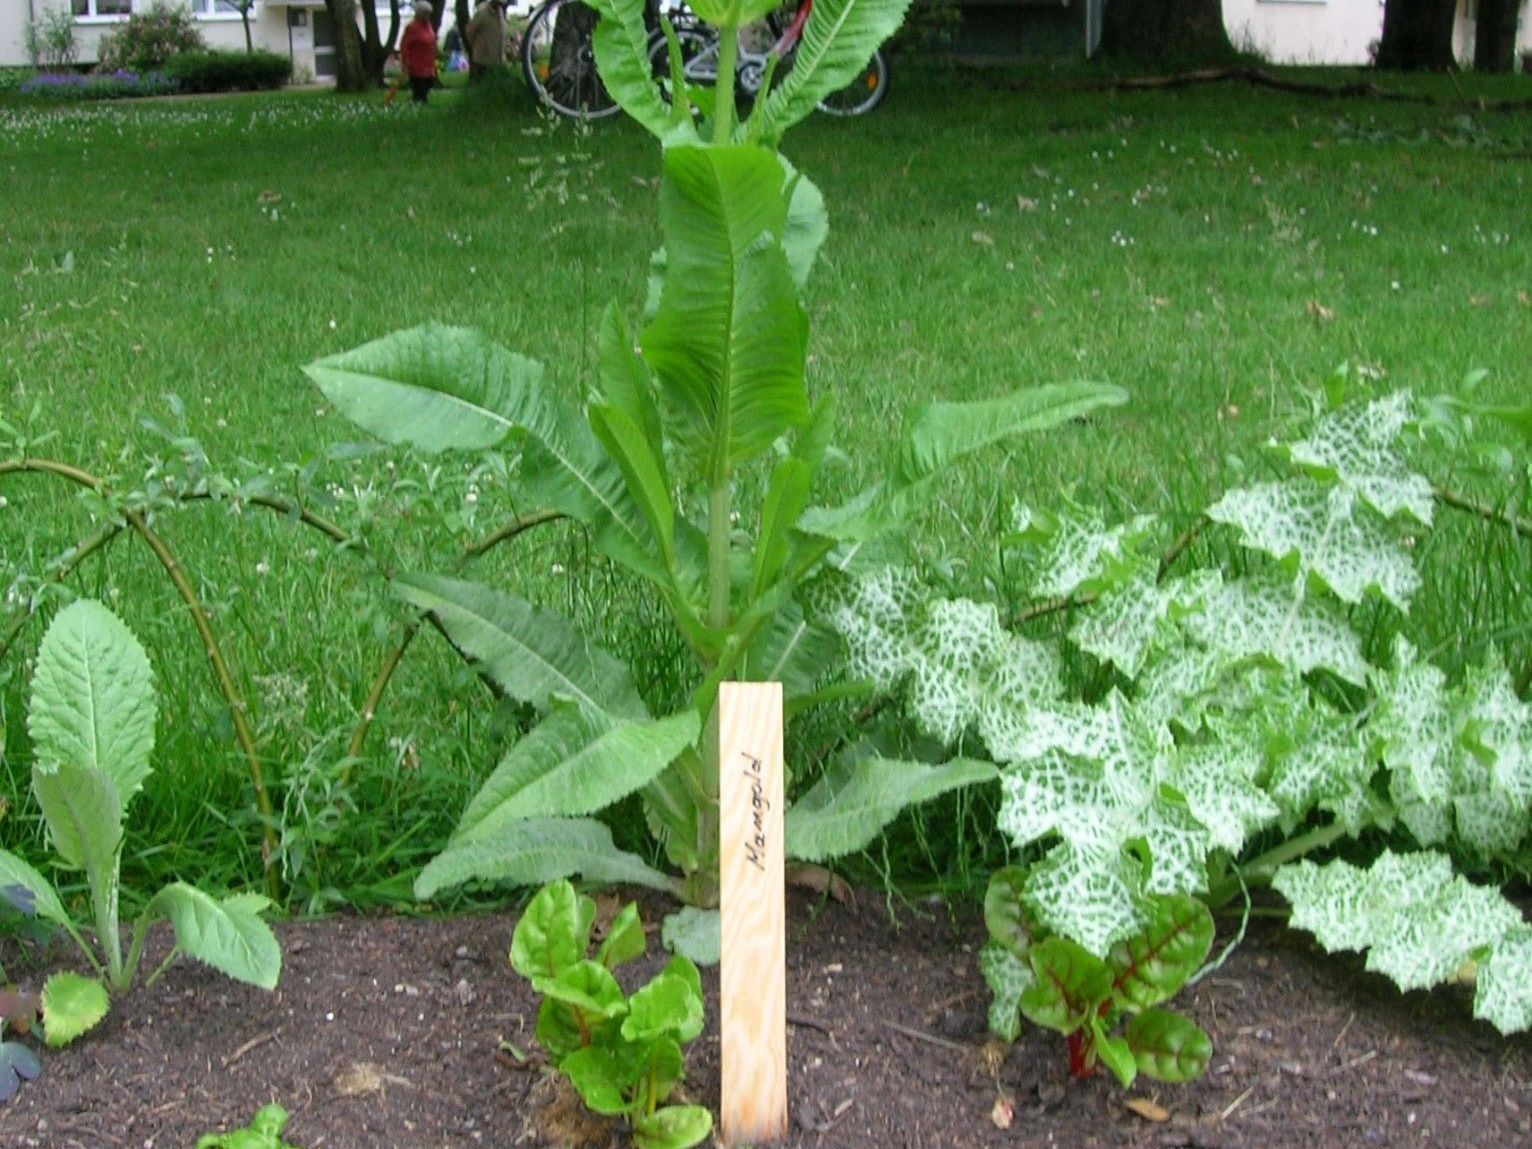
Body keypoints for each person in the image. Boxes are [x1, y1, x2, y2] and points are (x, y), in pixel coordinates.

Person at [395, 2, 439, 104]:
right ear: (419, 13)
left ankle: (417, 102)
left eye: (429, 13)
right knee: (420, 89)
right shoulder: (412, 27)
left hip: (429, 63)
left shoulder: (428, 25)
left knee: (429, 83)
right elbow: (405, 46)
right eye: (426, 13)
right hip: (417, 64)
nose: (428, 15)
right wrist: (405, 63)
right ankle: (418, 105)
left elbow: (432, 40)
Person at [464, 0, 508, 82]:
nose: (500, 5)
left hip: (498, 60)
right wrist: (477, 47)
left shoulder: (501, 13)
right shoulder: (482, 12)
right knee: (482, 84)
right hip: (482, 60)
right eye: (499, 3)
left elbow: (503, 34)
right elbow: (470, 32)